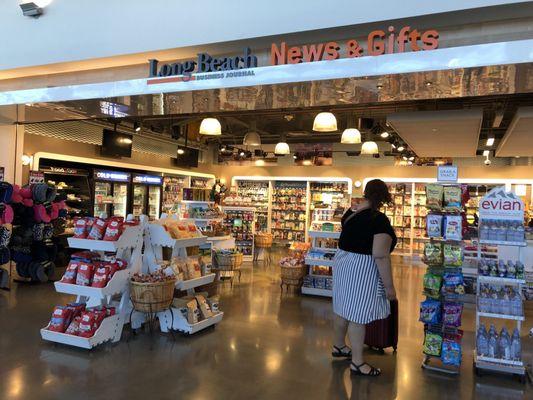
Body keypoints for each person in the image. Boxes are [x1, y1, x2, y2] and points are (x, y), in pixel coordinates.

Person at [331, 179, 397, 377]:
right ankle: (358, 363)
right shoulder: (379, 221)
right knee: (358, 315)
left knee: (343, 308)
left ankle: (339, 345)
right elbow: (380, 255)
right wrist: (389, 287)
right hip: (362, 268)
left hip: (342, 263)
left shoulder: (351, 214)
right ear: (384, 196)